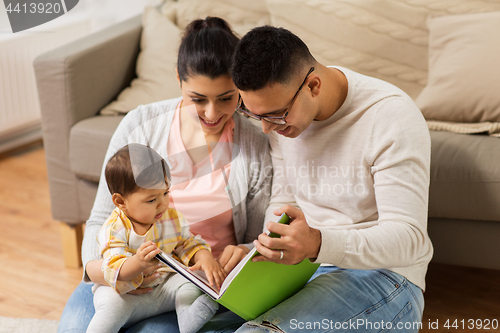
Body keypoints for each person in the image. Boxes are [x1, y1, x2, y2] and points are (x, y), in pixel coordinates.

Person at [57, 17, 272, 333]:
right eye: (197, 99)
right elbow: (100, 218)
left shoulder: (255, 146)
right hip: (120, 275)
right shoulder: (139, 125)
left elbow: (257, 237)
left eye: (226, 98)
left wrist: (243, 252)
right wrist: (105, 272)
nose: (212, 114)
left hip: (191, 287)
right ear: (178, 79)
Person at [223, 25, 433, 332]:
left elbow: (409, 239)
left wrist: (317, 243)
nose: (266, 129)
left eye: (275, 115)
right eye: (254, 115)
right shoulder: (282, 122)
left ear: (313, 85)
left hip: (384, 276)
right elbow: (284, 200)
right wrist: (263, 250)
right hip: (304, 268)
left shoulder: (391, 117)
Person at [86, 143, 225, 333]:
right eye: (151, 200)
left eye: (166, 193)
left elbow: (188, 244)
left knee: (189, 281)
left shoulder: (172, 218)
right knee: (110, 307)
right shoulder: (114, 228)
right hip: (125, 294)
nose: (162, 204)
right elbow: (113, 268)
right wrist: (138, 263)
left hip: (162, 289)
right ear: (121, 202)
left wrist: (205, 258)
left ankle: (188, 320)